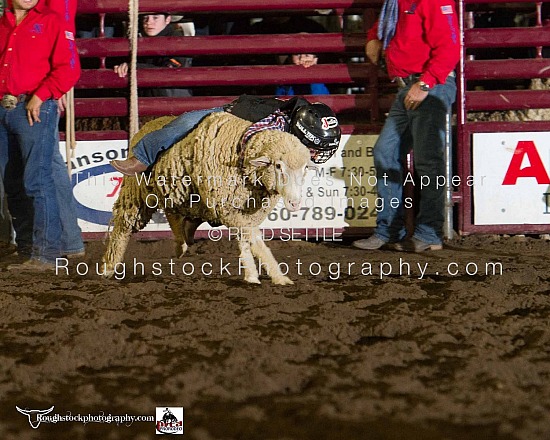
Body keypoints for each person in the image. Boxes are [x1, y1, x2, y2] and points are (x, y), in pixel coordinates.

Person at [352, 0, 459, 252]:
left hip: (428, 86)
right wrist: (373, 39)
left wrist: (425, 83)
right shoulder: (396, 3)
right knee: (386, 152)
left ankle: (428, 232)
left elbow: (450, 48)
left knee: (426, 160)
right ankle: (390, 230)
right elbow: (379, 33)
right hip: (410, 87)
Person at [0, 0, 81, 269]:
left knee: (37, 179)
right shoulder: (5, 23)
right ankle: (28, 247)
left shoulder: (51, 21)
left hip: (32, 107)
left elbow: (69, 67)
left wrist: (43, 94)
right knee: (12, 182)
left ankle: (46, 253)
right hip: (7, 106)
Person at [110, 95, 342, 175]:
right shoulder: (276, 122)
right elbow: (252, 133)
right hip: (232, 116)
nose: (314, 155)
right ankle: (142, 157)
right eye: (313, 149)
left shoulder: (295, 126)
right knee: (186, 123)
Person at [113, 12, 192, 97]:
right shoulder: (138, 40)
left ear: (167, 19)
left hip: (170, 100)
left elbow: (169, 71)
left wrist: (133, 66)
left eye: (155, 18)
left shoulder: (178, 41)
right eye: (145, 18)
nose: (149, 22)